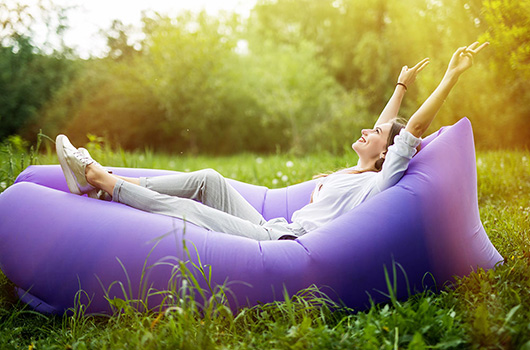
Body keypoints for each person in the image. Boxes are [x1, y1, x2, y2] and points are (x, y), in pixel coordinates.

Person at [56, 41, 488, 241]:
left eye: (373, 133)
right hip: (272, 228)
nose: (365, 130)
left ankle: (99, 179)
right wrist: (399, 86)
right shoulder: (362, 168)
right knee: (209, 178)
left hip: (280, 244)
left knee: (190, 210)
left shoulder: (376, 185)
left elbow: (405, 133)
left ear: (385, 153)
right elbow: (386, 126)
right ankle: (106, 182)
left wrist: (449, 78)